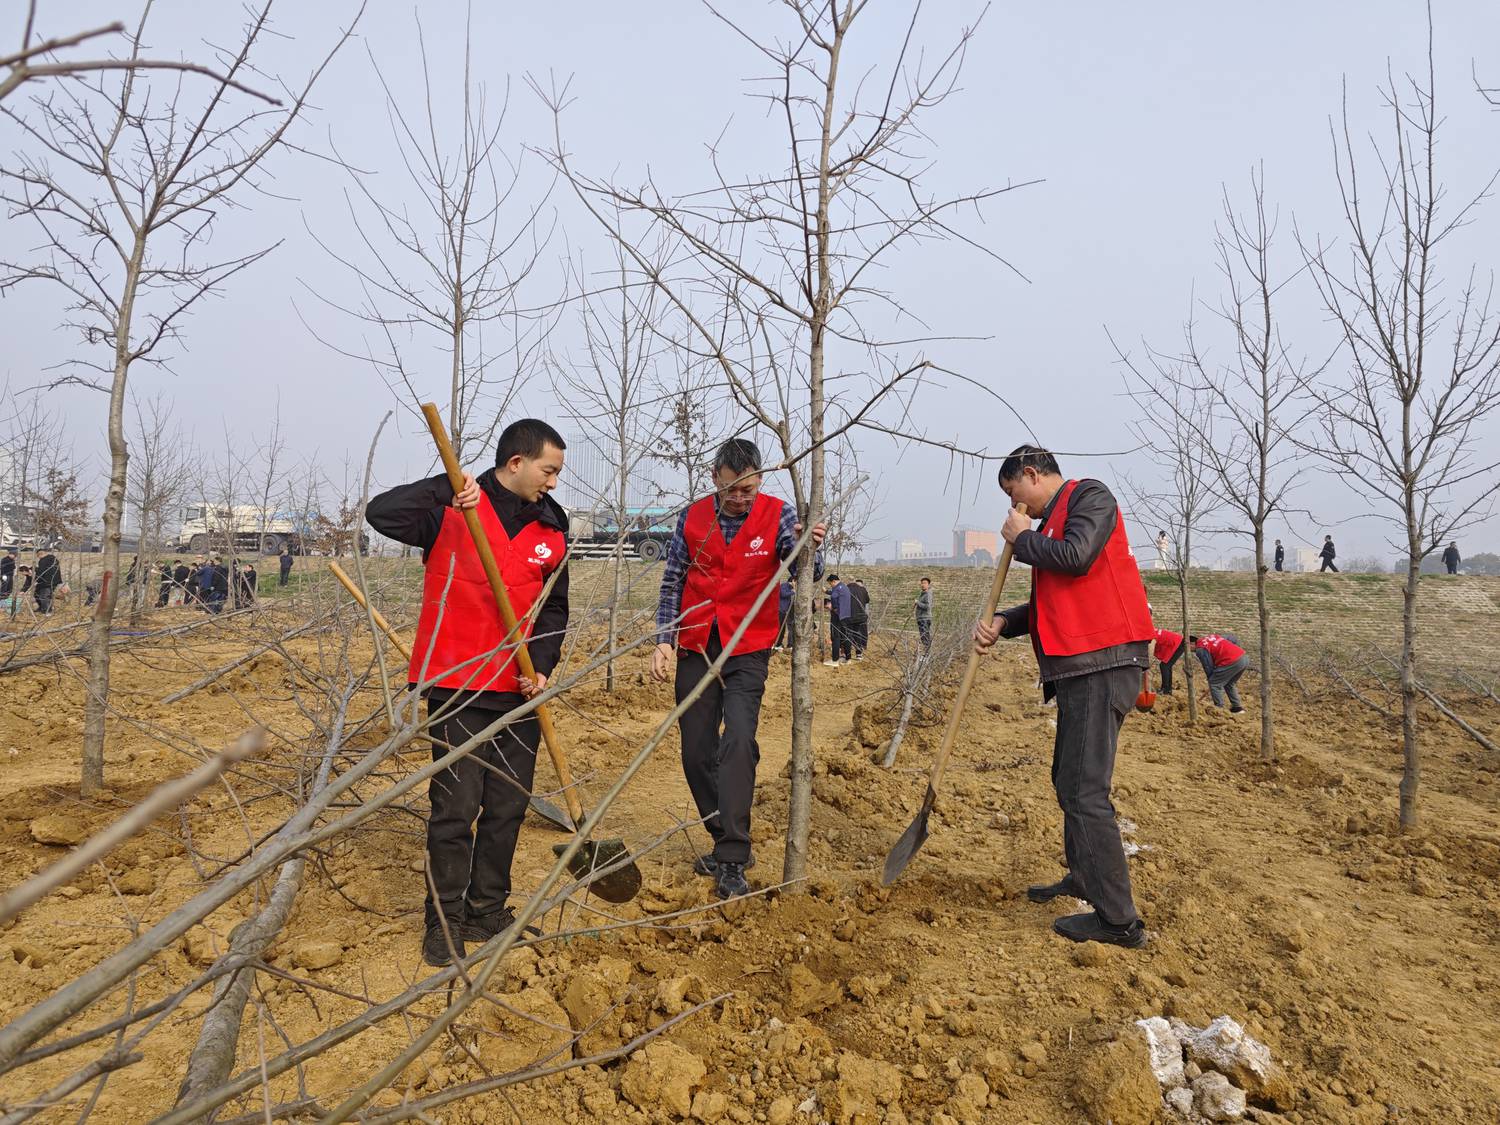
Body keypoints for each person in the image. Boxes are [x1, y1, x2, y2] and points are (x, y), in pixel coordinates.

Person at [366, 418, 570, 967]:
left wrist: (542, 667)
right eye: (548, 470)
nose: (553, 482)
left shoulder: (553, 527)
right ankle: (445, 920)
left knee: (507, 807)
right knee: (455, 809)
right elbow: (380, 514)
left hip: (518, 688)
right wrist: (446, 488)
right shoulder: (451, 509)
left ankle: (486, 910)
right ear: (516, 463)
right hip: (457, 684)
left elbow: (554, 608)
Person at [972, 445, 1152, 949]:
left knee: (1083, 790)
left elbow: (1077, 558)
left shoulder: (1089, 497)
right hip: (1082, 669)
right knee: (1067, 779)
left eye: (1014, 492)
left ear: (1031, 474)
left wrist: (1023, 538)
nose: (1016, 505)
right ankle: (1084, 877)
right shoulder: (1050, 526)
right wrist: (1005, 621)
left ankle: (1119, 922)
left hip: (1103, 663)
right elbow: (1051, 600)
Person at [651, 437, 824, 901]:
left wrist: (810, 546)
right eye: (731, 490)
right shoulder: (692, 517)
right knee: (695, 751)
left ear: (759, 480)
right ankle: (720, 832)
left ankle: (732, 855)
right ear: (715, 479)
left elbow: (805, 571)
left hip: (748, 646)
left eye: (749, 489)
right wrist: (664, 639)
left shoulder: (780, 514)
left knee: (739, 741)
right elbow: (672, 580)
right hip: (696, 643)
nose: (741, 498)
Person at [1192, 633, 1248, 712]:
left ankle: (1219, 710)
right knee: (1229, 683)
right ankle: (1237, 708)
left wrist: (1211, 679)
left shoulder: (1200, 649)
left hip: (1231, 661)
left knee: (1214, 684)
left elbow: (1208, 666)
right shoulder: (1210, 637)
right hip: (1243, 657)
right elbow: (1231, 639)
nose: (1190, 651)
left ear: (1191, 644)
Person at [823, 574, 851, 666]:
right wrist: (827, 591)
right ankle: (848, 658)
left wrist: (833, 608)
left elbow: (834, 597)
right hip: (846, 615)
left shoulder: (836, 589)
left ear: (833, 581)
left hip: (837, 616)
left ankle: (835, 660)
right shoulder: (844, 587)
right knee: (845, 636)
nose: (831, 586)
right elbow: (836, 593)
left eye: (830, 584)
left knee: (835, 637)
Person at [1152, 626, 1184, 693]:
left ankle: (1165, 689)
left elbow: (1151, 651)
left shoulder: (1150, 636)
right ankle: (1168, 689)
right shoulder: (1151, 632)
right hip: (1178, 642)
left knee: (1164, 666)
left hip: (1177, 644)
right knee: (1166, 665)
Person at [846, 577, 870, 660]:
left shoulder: (846, 589)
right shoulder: (863, 590)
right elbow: (867, 600)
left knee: (848, 634)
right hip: (860, 616)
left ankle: (847, 655)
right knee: (858, 635)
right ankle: (859, 654)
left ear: (848, 581)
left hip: (849, 616)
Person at [34, 549, 61, 614]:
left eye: (38, 556)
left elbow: (42, 572)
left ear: (40, 554)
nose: (38, 558)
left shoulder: (43, 560)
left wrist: (35, 570)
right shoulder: (54, 559)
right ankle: (42, 608)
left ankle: (47, 610)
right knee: (40, 594)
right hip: (54, 581)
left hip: (46, 581)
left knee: (44, 596)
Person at [915, 576, 933, 652]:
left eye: (925, 583)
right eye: (922, 583)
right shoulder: (922, 594)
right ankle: (926, 653)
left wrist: (918, 602)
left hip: (925, 618)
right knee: (924, 637)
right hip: (921, 618)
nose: (923, 584)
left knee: (925, 637)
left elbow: (928, 606)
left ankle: (927, 653)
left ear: (928, 585)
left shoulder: (928, 594)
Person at [775, 580, 793, 651]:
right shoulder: (784, 585)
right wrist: (792, 592)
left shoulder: (790, 588)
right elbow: (783, 594)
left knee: (783, 629)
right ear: (793, 581)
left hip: (784, 612)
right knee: (780, 628)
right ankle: (776, 644)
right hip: (780, 611)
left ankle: (779, 643)